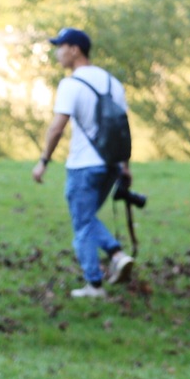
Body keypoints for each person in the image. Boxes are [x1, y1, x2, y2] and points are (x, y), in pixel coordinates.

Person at [31, 28, 133, 299]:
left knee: (82, 224)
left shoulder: (71, 84)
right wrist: (125, 167)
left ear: (75, 49)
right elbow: (122, 128)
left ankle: (101, 276)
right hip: (110, 164)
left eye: (60, 46)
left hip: (83, 166)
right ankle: (113, 261)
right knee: (86, 220)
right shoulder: (113, 83)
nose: (57, 52)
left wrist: (43, 161)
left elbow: (56, 128)